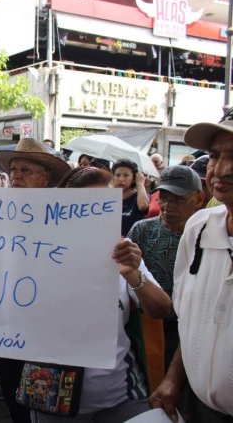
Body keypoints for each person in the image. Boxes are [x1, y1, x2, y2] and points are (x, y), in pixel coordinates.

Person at [28, 167, 172, 423]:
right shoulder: (35, 255)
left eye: (106, 205)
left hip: (119, 396)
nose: (97, 214)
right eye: (86, 206)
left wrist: (133, 274)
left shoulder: (124, 252)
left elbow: (161, 309)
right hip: (50, 395)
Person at [150, 111, 233, 421]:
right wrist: (174, 378)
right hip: (196, 408)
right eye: (214, 155)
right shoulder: (198, 228)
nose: (222, 169)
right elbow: (194, 322)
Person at [0, 137, 71, 423]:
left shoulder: (65, 216)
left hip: (47, 329)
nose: (16, 175)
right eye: (14, 169)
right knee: (14, 397)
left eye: (25, 169)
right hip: (6, 324)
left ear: (46, 177)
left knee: (44, 400)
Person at [127, 166, 205, 371]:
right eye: (163, 197)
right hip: (149, 326)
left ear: (199, 199)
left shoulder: (207, 234)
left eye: (178, 200)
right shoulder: (142, 230)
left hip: (194, 329)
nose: (168, 206)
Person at [111, 159, 149, 237]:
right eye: (117, 175)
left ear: (133, 179)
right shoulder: (109, 196)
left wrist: (140, 184)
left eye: (126, 175)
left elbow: (143, 206)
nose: (121, 179)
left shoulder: (140, 195)